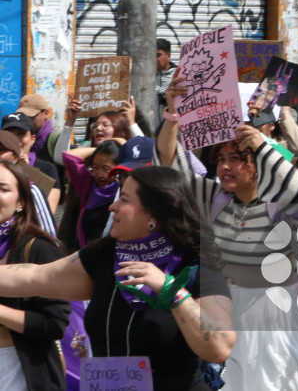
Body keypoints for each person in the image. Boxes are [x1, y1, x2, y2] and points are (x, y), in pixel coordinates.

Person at [0, 165, 235, 389]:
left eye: (124, 199)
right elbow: (36, 276)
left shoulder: (195, 265)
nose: (113, 207)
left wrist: (172, 291)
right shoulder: (103, 256)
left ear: (153, 214)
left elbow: (219, 348)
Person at [158, 75, 298, 391]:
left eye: (236, 159)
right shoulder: (213, 198)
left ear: (260, 163)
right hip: (224, 318)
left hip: (274, 323)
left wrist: (259, 143)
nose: (224, 167)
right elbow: (169, 164)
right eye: (221, 159)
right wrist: (172, 115)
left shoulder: (281, 204)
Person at [0, 160, 70, 390]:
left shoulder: (39, 249)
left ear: (20, 202)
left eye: (3, 189)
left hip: (21, 370)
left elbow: (54, 323)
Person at [60, 139, 122, 252]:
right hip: (87, 255)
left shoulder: (124, 189)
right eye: (95, 168)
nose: (99, 174)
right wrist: (99, 149)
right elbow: (68, 156)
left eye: (106, 169)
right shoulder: (88, 184)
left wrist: (121, 144)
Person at [2, 112, 61, 214]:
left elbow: (48, 211)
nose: (16, 140)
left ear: (33, 138)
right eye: (9, 134)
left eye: (21, 133)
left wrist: (27, 170)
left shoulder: (47, 169)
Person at [16, 94, 61, 167]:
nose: (26, 120)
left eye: (31, 116)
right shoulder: (17, 140)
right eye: (22, 116)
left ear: (46, 113)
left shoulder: (56, 140)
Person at [157, 38, 178, 120]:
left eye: (158, 55)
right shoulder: (144, 77)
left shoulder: (178, 75)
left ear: (168, 56)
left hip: (171, 125)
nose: (154, 59)